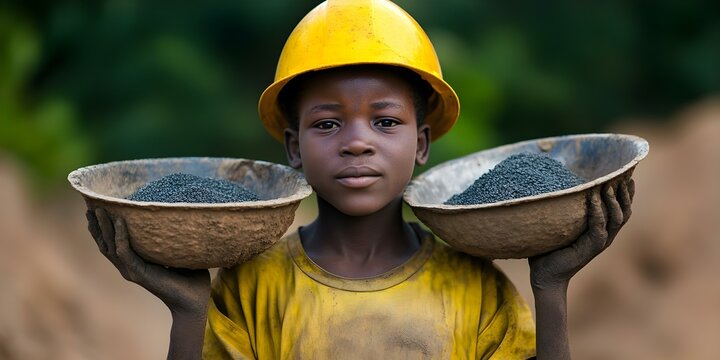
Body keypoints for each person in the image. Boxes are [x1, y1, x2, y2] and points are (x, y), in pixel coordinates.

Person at [86, 0, 634, 359]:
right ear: (293, 146)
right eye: (327, 123)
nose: (357, 141)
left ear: (421, 143)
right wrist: (188, 309)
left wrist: (551, 286)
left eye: (386, 121)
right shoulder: (252, 284)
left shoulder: (475, 287)